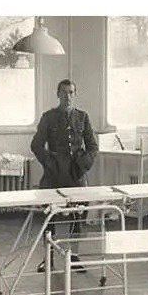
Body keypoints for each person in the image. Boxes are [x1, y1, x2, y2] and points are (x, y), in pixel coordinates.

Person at [31, 80, 98, 269]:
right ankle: (48, 259)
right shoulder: (48, 117)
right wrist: (49, 162)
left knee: (78, 215)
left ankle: (74, 257)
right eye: (64, 92)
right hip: (54, 174)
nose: (67, 96)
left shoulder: (82, 117)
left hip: (75, 173)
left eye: (71, 92)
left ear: (75, 94)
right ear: (57, 94)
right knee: (49, 216)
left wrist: (83, 165)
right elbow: (36, 145)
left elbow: (92, 146)